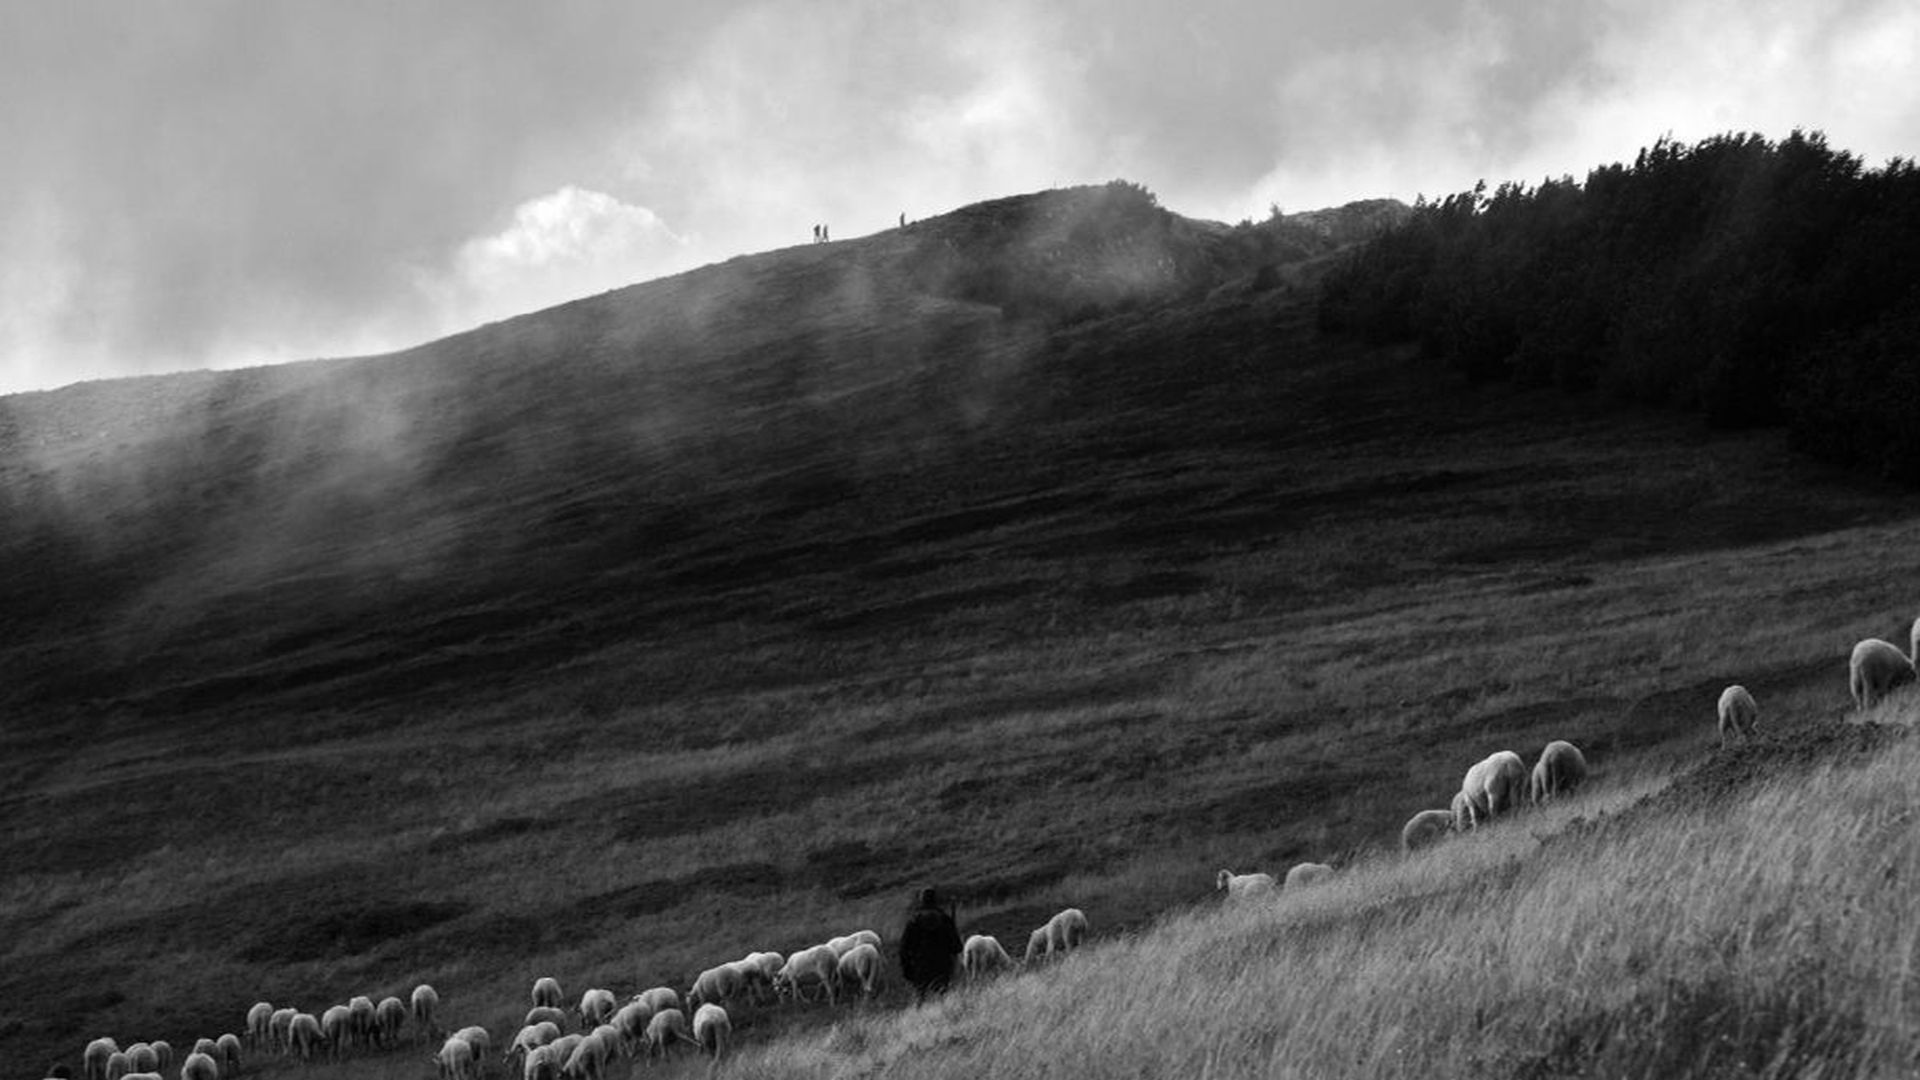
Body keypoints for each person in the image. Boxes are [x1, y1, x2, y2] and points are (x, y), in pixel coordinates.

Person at [897, 886, 962, 1003]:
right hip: (942, 967)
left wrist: (906, 969)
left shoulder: (913, 921)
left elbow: (904, 948)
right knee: (942, 999)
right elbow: (957, 947)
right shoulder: (946, 919)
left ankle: (921, 1020)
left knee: (921, 999)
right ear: (935, 900)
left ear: (921, 900)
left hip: (920, 967)